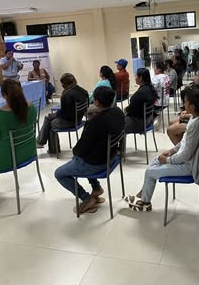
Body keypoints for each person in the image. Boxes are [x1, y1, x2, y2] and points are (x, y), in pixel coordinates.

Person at [124, 88, 199, 212]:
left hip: (189, 166)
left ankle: (145, 203)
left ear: (192, 106)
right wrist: (172, 151)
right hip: (192, 161)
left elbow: (186, 155)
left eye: (185, 102)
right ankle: (144, 193)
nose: (184, 105)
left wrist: (168, 160)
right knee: (156, 160)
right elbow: (185, 142)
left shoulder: (196, 124)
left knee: (150, 172)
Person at [54, 86, 125, 214]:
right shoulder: (119, 112)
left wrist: (75, 153)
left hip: (97, 164)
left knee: (59, 173)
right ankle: (96, 188)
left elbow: (80, 149)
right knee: (79, 157)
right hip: (112, 156)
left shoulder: (95, 123)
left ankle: (86, 199)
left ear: (96, 102)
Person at [36, 73, 89, 154]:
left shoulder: (66, 95)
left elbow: (64, 115)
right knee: (49, 120)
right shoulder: (83, 91)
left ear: (65, 84)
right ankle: (42, 143)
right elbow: (86, 106)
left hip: (69, 121)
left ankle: (44, 144)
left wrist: (53, 115)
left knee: (50, 122)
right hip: (79, 119)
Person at [167, 68, 199, 145]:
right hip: (198, 116)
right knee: (171, 122)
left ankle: (186, 149)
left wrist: (187, 115)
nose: (194, 77)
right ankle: (185, 144)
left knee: (170, 130)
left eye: (197, 76)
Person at [124, 68, 158, 135]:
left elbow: (130, 110)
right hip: (149, 119)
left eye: (136, 75)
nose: (135, 78)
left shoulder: (141, 93)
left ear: (141, 78)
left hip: (140, 123)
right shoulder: (151, 88)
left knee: (117, 126)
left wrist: (125, 110)